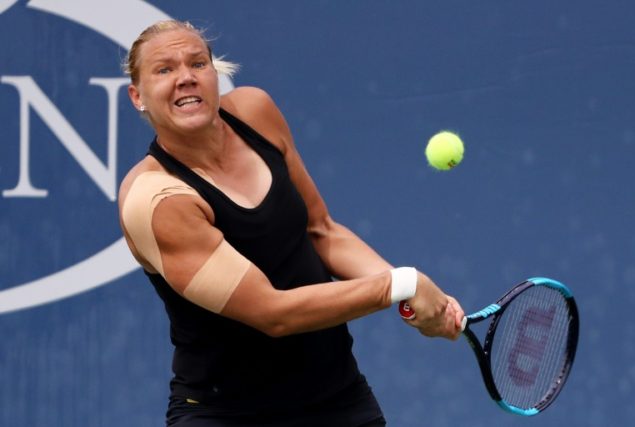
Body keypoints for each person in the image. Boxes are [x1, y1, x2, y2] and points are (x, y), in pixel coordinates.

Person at [118, 20, 464, 427]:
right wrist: (401, 284)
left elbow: (322, 231)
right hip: (227, 416)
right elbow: (272, 313)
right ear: (137, 96)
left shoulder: (255, 112)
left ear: (215, 76)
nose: (185, 78)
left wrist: (417, 300)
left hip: (339, 399)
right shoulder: (155, 198)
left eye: (198, 63)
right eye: (164, 70)